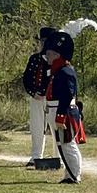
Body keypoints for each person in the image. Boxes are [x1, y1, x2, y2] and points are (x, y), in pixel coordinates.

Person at [47, 30, 85, 183]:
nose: (47, 56)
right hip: (56, 108)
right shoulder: (59, 71)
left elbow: (67, 95)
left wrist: (60, 116)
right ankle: (70, 174)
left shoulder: (65, 71)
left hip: (64, 111)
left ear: (57, 55)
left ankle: (74, 175)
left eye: (49, 53)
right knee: (64, 144)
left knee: (68, 144)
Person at [23, 26, 61, 168]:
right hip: (37, 97)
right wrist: (33, 92)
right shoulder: (34, 59)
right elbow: (27, 78)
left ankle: (59, 157)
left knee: (55, 127)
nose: (43, 44)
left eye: (46, 41)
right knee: (37, 127)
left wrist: (47, 92)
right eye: (42, 41)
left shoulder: (57, 59)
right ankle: (35, 156)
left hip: (52, 98)